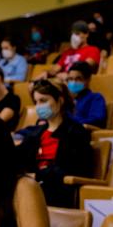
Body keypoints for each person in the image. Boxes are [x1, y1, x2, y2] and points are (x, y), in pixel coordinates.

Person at [16, 79, 93, 208]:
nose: (38, 106)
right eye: (36, 102)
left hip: (59, 192)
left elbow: (72, 168)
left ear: (60, 100)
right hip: (31, 189)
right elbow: (18, 160)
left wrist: (37, 175)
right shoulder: (35, 134)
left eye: (43, 101)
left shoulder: (76, 132)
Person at [67, 62, 107, 128]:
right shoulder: (67, 100)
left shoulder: (96, 98)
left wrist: (71, 121)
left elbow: (96, 120)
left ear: (88, 79)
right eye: (71, 79)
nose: (73, 82)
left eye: (78, 79)